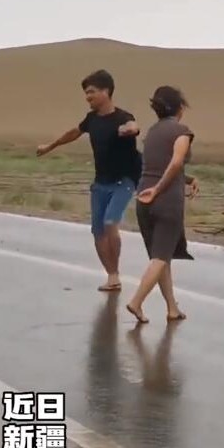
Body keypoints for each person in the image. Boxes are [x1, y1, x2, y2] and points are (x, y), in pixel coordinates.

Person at [37, 70, 141, 292]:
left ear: (106, 91)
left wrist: (129, 130)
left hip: (124, 181)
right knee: (97, 232)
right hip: (100, 183)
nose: (88, 97)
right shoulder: (91, 119)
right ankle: (112, 276)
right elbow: (74, 133)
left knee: (110, 222)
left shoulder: (123, 117)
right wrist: (50, 146)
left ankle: (115, 271)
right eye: (86, 93)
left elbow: (133, 126)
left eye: (91, 92)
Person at [126, 86, 199, 324]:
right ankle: (136, 301)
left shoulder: (152, 133)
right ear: (180, 108)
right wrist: (159, 190)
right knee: (160, 258)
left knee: (161, 257)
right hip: (166, 200)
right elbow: (176, 162)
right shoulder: (182, 131)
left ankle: (172, 308)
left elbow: (158, 166)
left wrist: (188, 179)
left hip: (143, 199)